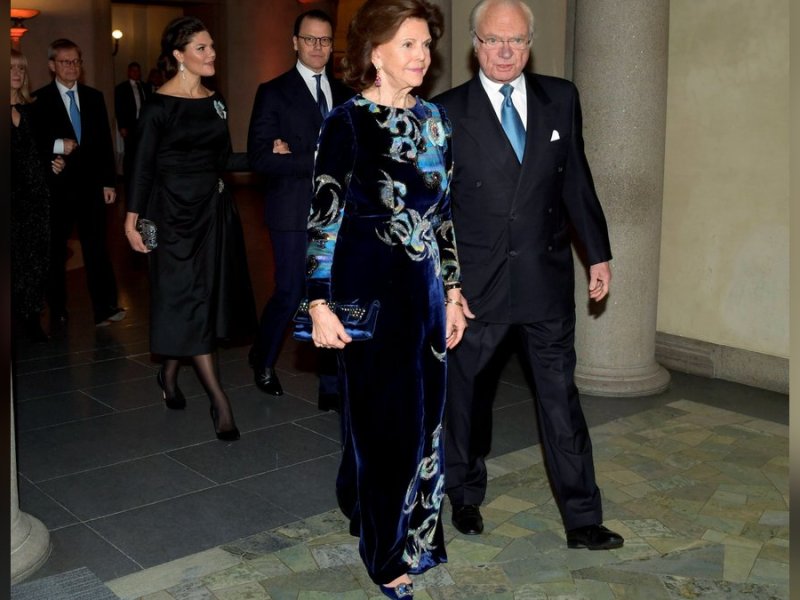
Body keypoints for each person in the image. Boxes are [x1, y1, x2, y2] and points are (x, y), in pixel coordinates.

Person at [433, 0, 624, 551]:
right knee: (465, 397)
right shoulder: (445, 111)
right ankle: (464, 493)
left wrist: (599, 252)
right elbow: (437, 209)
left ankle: (582, 517)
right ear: (474, 43)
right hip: (476, 287)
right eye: (494, 40)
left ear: (530, 44)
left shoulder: (560, 98)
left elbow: (576, 182)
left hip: (544, 279)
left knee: (561, 399)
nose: (505, 51)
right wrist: (446, 284)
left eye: (516, 41)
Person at [305, 1, 465, 597]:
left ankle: (403, 525)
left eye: (426, 45)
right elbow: (323, 218)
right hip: (366, 292)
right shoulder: (346, 123)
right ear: (375, 53)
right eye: (408, 45)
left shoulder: (436, 121)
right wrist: (318, 303)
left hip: (423, 297)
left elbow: (445, 215)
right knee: (383, 429)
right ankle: (385, 552)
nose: (422, 56)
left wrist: (453, 293)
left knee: (423, 423)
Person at [124, 16, 256, 441]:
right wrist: (132, 220)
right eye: (201, 48)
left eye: (212, 46)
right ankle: (220, 402)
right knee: (187, 300)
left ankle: (168, 372)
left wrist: (266, 155)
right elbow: (140, 167)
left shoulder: (216, 102)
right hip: (171, 218)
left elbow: (221, 159)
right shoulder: (158, 106)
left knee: (199, 301)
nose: (211, 53)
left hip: (211, 215)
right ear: (178, 56)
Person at [247, 9, 353, 408]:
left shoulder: (345, 94)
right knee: (291, 291)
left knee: (331, 295)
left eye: (325, 40)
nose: (318, 47)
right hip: (291, 213)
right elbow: (259, 157)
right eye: (310, 39)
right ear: (295, 42)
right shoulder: (273, 92)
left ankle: (330, 386)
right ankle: (263, 357)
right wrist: (314, 159)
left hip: (339, 215)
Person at [33, 38, 126, 328]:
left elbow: (103, 145)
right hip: (57, 188)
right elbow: (33, 144)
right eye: (65, 61)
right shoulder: (38, 100)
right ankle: (58, 310)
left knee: (97, 246)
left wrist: (109, 182)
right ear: (52, 66)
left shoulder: (94, 97)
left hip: (91, 188)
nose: (72, 67)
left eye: (76, 61)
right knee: (56, 250)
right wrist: (56, 149)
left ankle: (105, 307)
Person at [10, 49, 65, 342]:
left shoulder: (35, 109)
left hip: (37, 195)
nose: (17, 74)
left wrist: (55, 162)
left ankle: (31, 317)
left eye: (21, 69)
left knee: (36, 258)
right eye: (11, 69)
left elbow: (44, 149)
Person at [114, 61, 149, 181]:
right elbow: (119, 108)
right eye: (133, 70)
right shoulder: (121, 88)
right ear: (128, 72)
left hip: (144, 124)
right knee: (130, 152)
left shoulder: (145, 87)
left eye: (137, 70)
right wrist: (122, 126)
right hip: (130, 124)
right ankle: (129, 176)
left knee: (144, 150)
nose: (136, 73)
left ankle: (142, 174)